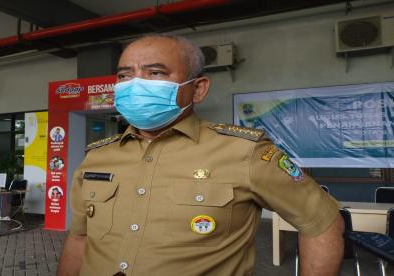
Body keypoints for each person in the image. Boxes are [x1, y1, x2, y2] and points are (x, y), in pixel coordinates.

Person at [58, 34, 344, 276]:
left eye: (155, 73)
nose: (135, 84)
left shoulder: (244, 151)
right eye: (124, 75)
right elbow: (80, 238)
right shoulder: (98, 156)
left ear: (198, 89)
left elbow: (322, 223)